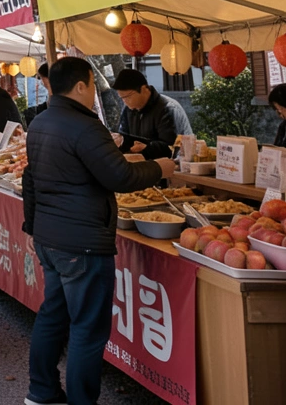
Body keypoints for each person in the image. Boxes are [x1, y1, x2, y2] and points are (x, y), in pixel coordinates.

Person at [23, 56, 175, 405]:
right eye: (92, 84)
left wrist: (31, 226)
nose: (94, 92)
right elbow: (120, 176)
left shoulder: (41, 121)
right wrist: (160, 166)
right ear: (80, 86)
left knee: (53, 315)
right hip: (83, 242)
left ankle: (41, 391)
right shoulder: (85, 126)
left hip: (51, 237)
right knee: (87, 330)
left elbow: (31, 179)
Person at [112, 69, 192, 160]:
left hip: (171, 168)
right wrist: (119, 140)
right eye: (122, 98)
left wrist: (147, 148)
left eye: (127, 97)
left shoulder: (167, 108)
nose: (125, 102)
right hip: (141, 167)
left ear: (143, 89)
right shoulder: (128, 110)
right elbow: (125, 137)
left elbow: (172, 148)